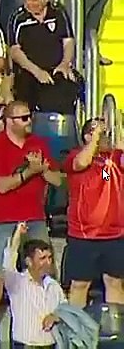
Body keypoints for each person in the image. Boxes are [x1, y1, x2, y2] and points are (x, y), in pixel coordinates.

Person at [0, 100, 62, 314]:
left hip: (35, 217)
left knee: (47, 272)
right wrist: (29, 172)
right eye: (23, 118)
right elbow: (1, 185)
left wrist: (42, 169)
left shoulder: (39, 144)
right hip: (5, 220)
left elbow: (58, 181)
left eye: (29, 116)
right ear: (9, 121)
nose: (29, 121)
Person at [63, 117, 124, 307]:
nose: (107, 138)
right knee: (79, 285)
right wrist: (96, 137)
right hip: (83, 235)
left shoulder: (112, 160)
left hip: (114, 234)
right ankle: (76, 331)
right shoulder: (74, 156)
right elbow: (82, 163)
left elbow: (105, 176)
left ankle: (117, 330)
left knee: (114, 283)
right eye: (102, 134)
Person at [0, 222, 65, 349]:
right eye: (42, 258)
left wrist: (55, 316)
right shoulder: (17, 283)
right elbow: (9, 259)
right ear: (29, 261)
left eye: (49, 258)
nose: (48, 262)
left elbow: (65, 311)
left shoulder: (54, 286)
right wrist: (18, 233)